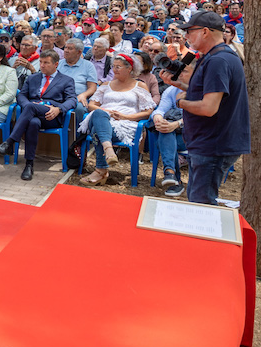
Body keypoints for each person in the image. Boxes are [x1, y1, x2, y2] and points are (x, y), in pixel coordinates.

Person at [162, 11, 250, 205]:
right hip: (209, 141)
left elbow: (208, 108)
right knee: (197, 199)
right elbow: (209, 94)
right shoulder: (215, 57)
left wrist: (180, 102)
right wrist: (180, 86)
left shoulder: (219, 60)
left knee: (201, 204)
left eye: (190, 31)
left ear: (204, 32)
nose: (186, 36)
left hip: (214, 143)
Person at [0, 51, 77, 181]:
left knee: (30, 108)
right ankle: (29, 165)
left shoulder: (66, 80)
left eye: (46, 63)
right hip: (32, 114)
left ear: (56, 64)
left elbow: (72, 100)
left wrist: (59, 109)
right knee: (33, 122)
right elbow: (21, 95)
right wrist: (27, 106)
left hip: (51, 116)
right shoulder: (32, 78)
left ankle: (9, 142)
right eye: (40, 62)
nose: (42, 65)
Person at [78, 54, 155, 186]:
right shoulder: (106, 85)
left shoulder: (140, 86)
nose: (114, 69)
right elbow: (91, 105)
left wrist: (125, 116)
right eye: (113, 66)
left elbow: (148, 112)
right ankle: (109, 150)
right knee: (99, 113)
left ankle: (101, 170)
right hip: (102, 118)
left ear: (129, 68)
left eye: (118, 67)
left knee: (97, 130)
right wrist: (108, 112)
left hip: (125, 125)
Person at [150, 79, 189, 198]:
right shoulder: (172, 90)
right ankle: (170, 173)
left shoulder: (203, 90)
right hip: (174, 134)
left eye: (185, 72)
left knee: (166, 139)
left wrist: (177, 124)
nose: (180, 76)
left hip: (196, 136)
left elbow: (201, 117)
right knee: (165, 131)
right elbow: (160, 110)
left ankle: (172, 176)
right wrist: (158, 119)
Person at [58, 38, 98, 118]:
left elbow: (92, 87)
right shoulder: (58, 63)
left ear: (79, 52)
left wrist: (83, 95)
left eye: (70, 48)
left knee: (80, 108)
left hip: (77, 98)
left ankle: (76, 127)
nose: (66, 50)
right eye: (65, 47)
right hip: (58, 96)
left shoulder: (88, 65)